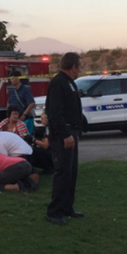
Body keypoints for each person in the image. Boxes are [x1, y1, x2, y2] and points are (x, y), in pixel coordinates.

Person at [45, 52, 83, 226]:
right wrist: (65, 134)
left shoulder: (70, 83)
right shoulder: (58, 83)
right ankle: (54, 211)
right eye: (78, 67)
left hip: (72, 132)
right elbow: (55, 112)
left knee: (71, 172)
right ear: (73, 66)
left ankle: (67, 207)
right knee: (62, 172)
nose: (79, 70)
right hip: (63, 134)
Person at [8, 71, 36, 137]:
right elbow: (9, 102)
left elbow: (31, 103)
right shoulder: (12, 91)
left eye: (13, 78)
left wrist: (24, 114)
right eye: (10, 79)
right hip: (13, 119)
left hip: (22, 118)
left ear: (18, 78)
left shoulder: (25, 90)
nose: (11, 80)